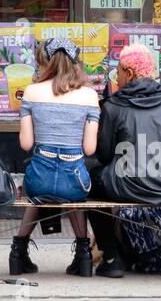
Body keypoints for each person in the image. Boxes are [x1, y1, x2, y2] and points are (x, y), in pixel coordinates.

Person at [86, 43, 161, 278]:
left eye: (118, 71)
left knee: (87, 179)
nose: (115, 76)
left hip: (128, 185)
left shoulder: (113, 106)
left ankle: (112, 258)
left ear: (129, 73)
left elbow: (105, 155)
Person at [8, 38, 100, 278]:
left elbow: (26, 144)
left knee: (38, 193)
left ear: (46, 62)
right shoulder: (89, 96)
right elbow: (89, 149)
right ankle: (83, 257)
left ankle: (18, 253)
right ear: (75, 62)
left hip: (38, 181)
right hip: (75, 182)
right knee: (73, 194)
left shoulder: (31, 92)